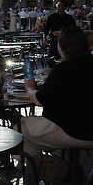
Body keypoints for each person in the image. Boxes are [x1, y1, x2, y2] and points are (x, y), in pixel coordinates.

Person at [22, 25, 93, 180]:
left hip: (76, 132)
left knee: (19, 130)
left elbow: (40, 100)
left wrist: (29, 87)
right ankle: (57, 161)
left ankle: (50, 171)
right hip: (85, 128)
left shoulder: (65, 69)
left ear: (61, 47)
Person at [43, 0, 76, 66]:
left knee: (65, 59)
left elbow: (74, 29)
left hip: (66, 41)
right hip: (54, 41)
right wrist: (45, 38)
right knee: (52, 58)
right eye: (58, 5)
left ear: (65, 7)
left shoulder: (69, 18)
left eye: (61, 5)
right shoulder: (51, 17)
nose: (58, 7)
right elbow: (46, 29)